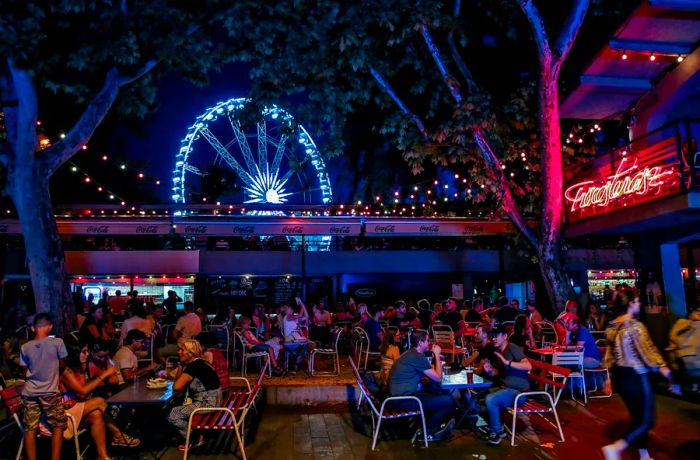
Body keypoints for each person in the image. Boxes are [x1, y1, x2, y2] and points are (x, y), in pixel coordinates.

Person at [601, 288, 677, 460]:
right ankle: (616, 447)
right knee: (647, 420)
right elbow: (649, 354)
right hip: (636, 375)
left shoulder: (611, 327)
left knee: (637, 417)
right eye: (637, 301)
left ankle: (644, 455)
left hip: (620, 377)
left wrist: (608, 379)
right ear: (630, 304)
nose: (640, 303)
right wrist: (668, 373)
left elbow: (609, 356)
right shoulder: (636, 326)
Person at [57, 345, 140, 456]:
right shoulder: (66, 371)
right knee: (100, 402)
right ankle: (118, 435)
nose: (87, 354)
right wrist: (104, 374)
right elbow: (83, 391)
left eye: (87, 351)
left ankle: (103, 456)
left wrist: (107, 368)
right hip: (64, 412)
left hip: (76, 406)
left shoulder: (80, 367)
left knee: (96, 414)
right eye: (83, 351)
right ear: (74, 354)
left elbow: (112, 380)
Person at [388, 330, 455, 441]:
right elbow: (438, 378)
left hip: (397, 397)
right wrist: (437, 355)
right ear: (420, 342)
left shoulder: (411, 353)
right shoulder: (417, 357)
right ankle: (426, 431)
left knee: (437, 392)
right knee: (448, 400)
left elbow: (430, 373)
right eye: (427, 340)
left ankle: (427, 425)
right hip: (403, 400)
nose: (429, 343)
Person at [19, 313, 68, 460]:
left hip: (29, 392)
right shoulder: (57, 342)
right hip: (50, 392)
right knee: (58, 425)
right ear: (50, 326)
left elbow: (24, 370)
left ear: (33, 328)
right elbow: (63, 363)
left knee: (30, 428)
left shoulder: (25, 347)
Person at [167, 339, 221, 451]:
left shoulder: (194, 366)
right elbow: (178, 382)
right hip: (214, 399)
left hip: (208, 403)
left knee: (173, 414)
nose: (178, 352)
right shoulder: (199, 362)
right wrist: (181, 365)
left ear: (191, 353)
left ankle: (193, 439)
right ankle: (195, 435)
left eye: (182, 350)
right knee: (177, 403)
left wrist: (181, 368)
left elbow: (176, 387)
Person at [482, 326, 532, 445]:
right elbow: (498, 372)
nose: (493, 338)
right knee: (477, 398)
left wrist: (507, 362)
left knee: (491, 400)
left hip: (518, 392)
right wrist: (489, 371)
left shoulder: (512, 347)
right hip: (505, 389)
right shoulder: (499, 351)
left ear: (505, 337)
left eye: (496, 335)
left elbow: (528, 366)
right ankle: (500, 428)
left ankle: (496, 432)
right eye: (492, 335)